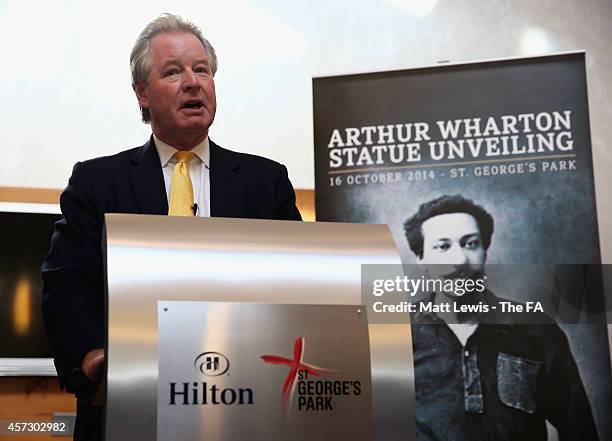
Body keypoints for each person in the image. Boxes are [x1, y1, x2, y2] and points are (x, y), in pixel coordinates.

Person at [41, 13, 301, 441]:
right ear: (142, 93)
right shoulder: (96, 182)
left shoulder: (265, 182)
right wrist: (90, 354)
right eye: (174, 72)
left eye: (202, 70)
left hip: (248, 403)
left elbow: (296, 286)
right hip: (128, 406)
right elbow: (65, 280)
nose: (194, 82)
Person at [403, 194, 598, 441]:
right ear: (421, 259)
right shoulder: (396, 333)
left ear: (485, 250)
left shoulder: (535, 329)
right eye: (443, 246)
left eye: (471, 244)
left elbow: (579, 430)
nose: (459, 260)